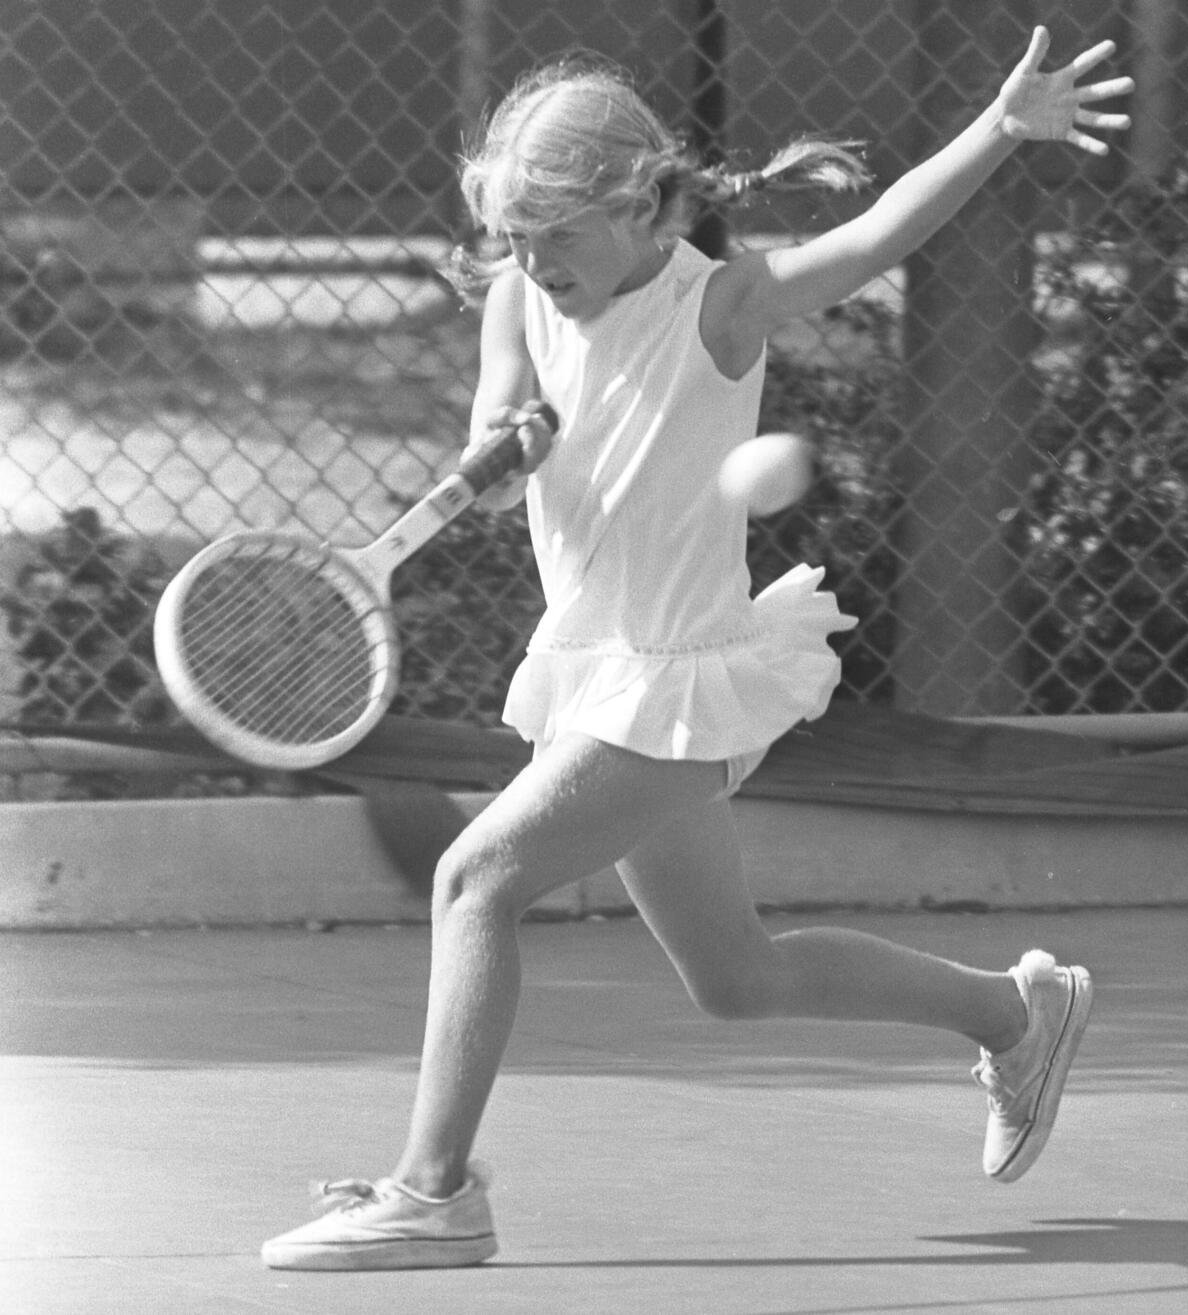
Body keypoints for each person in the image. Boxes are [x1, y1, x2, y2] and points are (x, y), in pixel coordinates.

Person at [261, 27, 1132, 1270]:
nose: (531, 259)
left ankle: (431, 1190)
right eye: (512, 236)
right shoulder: (520, 296)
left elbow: (874, 236)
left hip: (682, 671)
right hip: (595, 663)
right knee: (737, 977)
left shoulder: (722, 304)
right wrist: (503, 451)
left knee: (476, 879)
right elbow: (508, 467)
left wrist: (1000, 127)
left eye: (556, 233)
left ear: (640, 204)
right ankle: (1015, 1012)